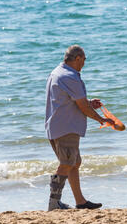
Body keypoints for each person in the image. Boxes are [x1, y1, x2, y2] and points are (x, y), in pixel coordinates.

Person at [45, 45, 118, 211]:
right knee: (66, 163)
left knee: (74, 162)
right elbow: (82, 107)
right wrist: (101, 119)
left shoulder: (57, 72)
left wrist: (89, 103)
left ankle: (80, 201)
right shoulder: (70, 76)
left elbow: (71, 101)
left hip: (56, 125)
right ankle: (54, 202)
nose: (84, 64)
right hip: (66, 126)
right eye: (84, 60)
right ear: (77, 58)